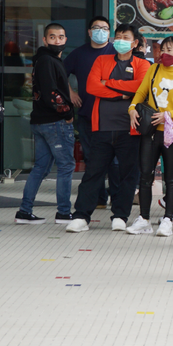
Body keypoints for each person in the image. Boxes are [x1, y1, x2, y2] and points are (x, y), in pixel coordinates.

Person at [66, 24, 149, 233]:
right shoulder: (101, 60)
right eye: (118, 36)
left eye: (126, 37)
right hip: (101, 127)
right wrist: (123, 93)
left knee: (127, 174)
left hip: (130, 128)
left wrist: (108, 84)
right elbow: (92, 87)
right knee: (93, 172)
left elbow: (141, 87)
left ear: (135, 42)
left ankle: (120, 215)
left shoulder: (143, 64)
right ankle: (81, 216)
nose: (120, 40)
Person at [125, 37, 173, 237]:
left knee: (171, 178)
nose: (164, 53)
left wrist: (169, 114)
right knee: (145, 176)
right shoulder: (154, 70)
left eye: (169, 50)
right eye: (162, 49)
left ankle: (167, 220)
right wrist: (131, 108)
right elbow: (141, 93)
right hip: (151, 131)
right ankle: (144, 219)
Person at [17, 24, 76, 225]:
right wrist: (67, 112)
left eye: (61, 37)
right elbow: (52, 93)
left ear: (66, 39)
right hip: (54, 122)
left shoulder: (44, 60)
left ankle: (25, 211)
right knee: (66, 165)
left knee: (41, 168)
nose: (57, 41)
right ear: (44, 40)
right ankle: (63, 213)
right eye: (53, 37)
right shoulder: (47, 60)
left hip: (41, 121)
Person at [63, 16, 118, 210]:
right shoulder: (79, 54)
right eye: (96, 27)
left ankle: (117, 200)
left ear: (110, 33)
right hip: (87, 114)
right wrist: (71, 92)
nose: (100, 31)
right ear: (89, 31)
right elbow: (61, 72)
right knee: (91, 157)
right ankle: (99, 198)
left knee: (114, 160)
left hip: (112, 116)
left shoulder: (116, 52)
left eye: (104, 28)